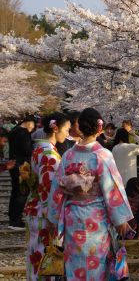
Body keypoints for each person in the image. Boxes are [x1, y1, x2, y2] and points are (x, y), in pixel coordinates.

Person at [47, 107, 133, 280]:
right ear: (99, 128)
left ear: (79, 128)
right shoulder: (102, 155)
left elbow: (57, 190)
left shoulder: (68, 156)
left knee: (74, 265)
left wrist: (53, 218)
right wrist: (120, 221)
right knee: (96, 266)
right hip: (96, 220)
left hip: (72, 218)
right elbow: (112, 190)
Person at [23, 113, 70, 281]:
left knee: (36, 254)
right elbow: (48, 190)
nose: (68, 133)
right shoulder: (49, 154)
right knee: (45, 258)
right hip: (44, 212)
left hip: (35, 208)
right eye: (66, 129)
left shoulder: (39, 149)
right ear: (55, 128)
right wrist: (54, 217)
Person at [7, 115, 36, 230]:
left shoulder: (14, 130)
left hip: (14, 163)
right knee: (22, 192)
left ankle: (12, 218)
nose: (32, 129)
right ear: (29, 123)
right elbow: (27, 150)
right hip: (22, 165)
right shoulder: (24, 132)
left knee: (15, 191)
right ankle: (16, 221)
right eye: (33, 126)